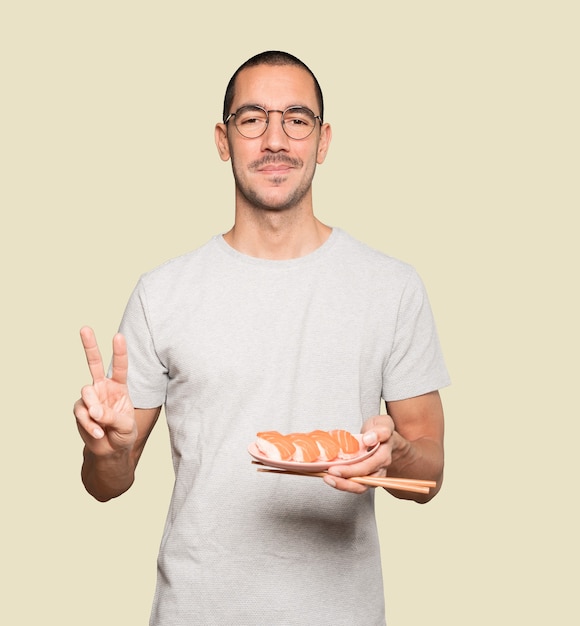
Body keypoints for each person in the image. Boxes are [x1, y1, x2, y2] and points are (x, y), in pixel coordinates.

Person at [74, 50, 450, 626]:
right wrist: (106, 449)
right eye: (252, 119)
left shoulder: (390, 287)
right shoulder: (163, 293)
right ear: (223, 140)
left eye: (296, 119)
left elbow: (427, 477)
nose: (275, 139)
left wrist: (396, 453)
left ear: (323, 141)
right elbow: (107, 486)